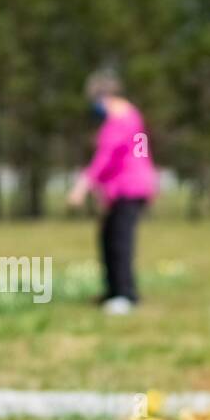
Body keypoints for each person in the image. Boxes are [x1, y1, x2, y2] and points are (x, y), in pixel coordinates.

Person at [67, 70, 158, 316]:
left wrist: (83, 185)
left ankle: (124, 295)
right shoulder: (133, 116)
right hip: (132, 184)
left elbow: (104, 158)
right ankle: (114, 290)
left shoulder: (118, 122)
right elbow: (137, 152)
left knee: (120, 241)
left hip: (129, 187)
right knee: (109, 236)